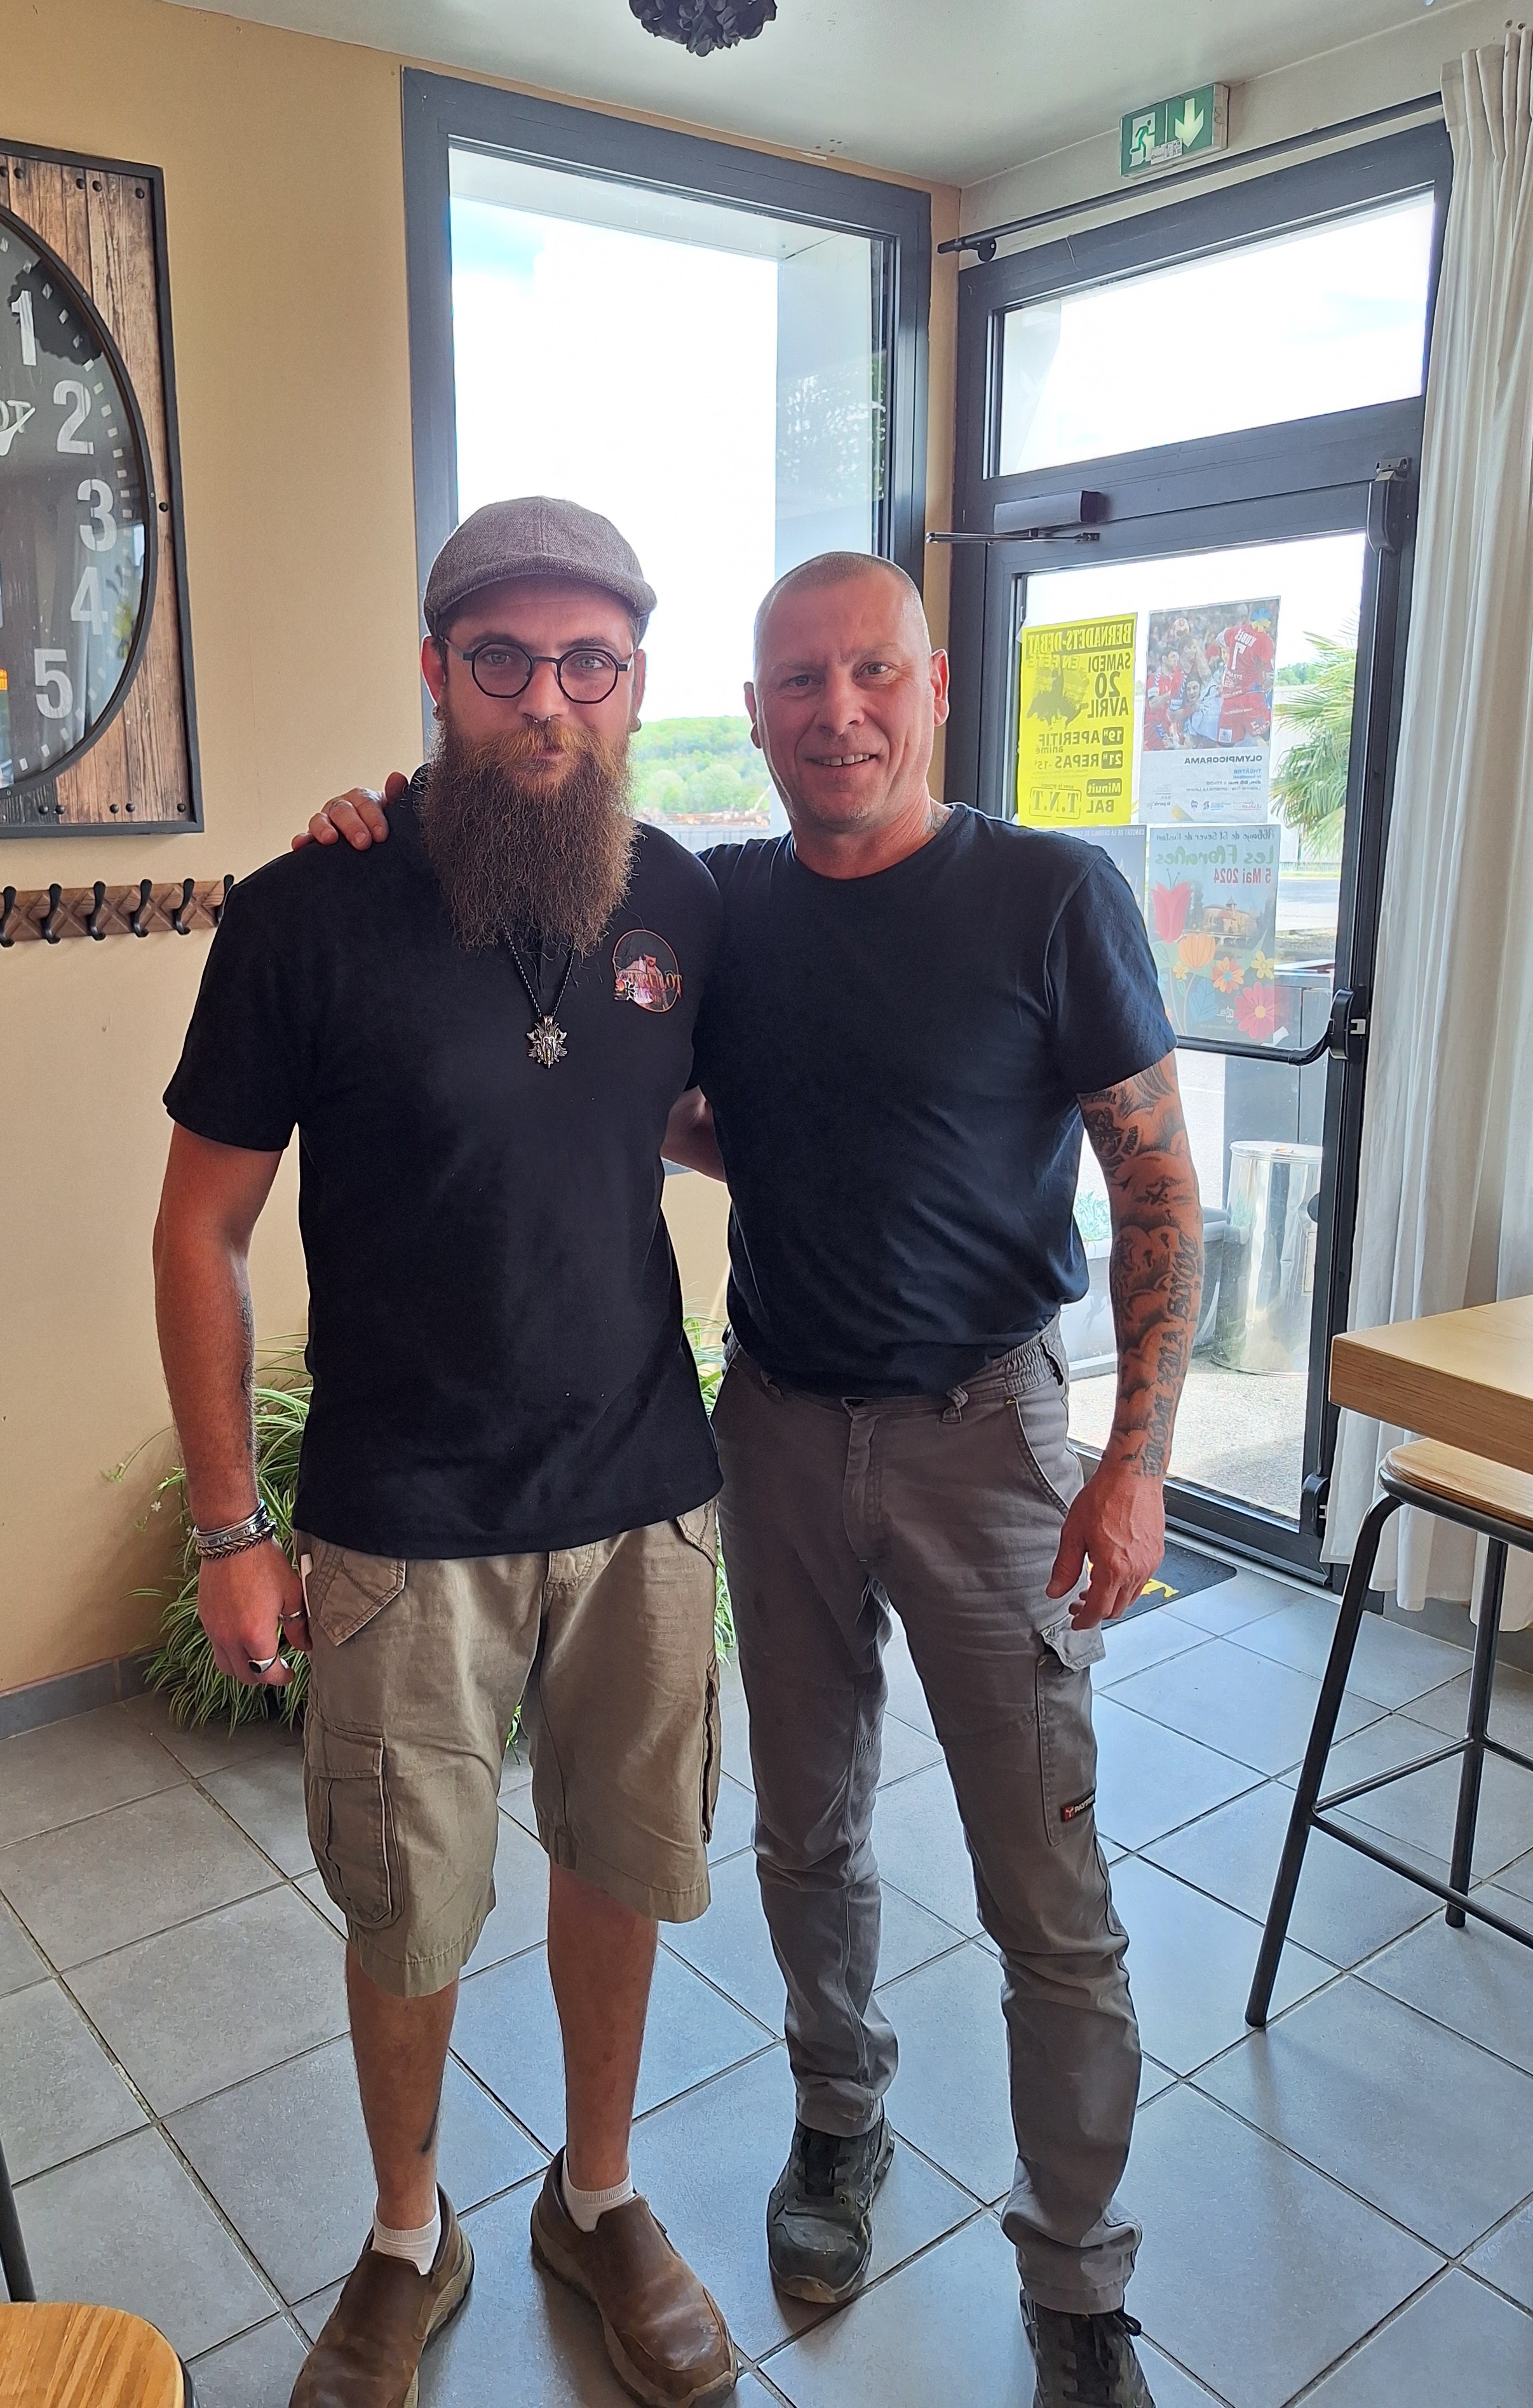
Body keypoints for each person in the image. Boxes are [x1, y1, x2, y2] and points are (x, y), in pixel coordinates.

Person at [303, 549, 1202, 2408]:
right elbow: (651, 1078)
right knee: (806, 1835)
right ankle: (837, 2119)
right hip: (777, 1428)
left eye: (870, 673)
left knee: (1045, 1885)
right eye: (798, 682)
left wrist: (1134, 1460)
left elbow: (1155, 1186)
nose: (836, 713)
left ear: (932, 685)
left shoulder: (1052, 896)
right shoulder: (721, 908)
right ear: (751, 710)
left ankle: (1077, 2278)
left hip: (991, 1442)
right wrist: (392, 814)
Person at [153, 495, 739, 2408]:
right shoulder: (305, 911)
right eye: (501, 662)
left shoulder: (683, 902)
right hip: (403, 1515)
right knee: (405, 1904)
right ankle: (409, 2233)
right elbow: (201, 1232)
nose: (545, 701)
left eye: (588, 663)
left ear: (633, 682)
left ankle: (597, 2195)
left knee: (620, 1861)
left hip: (642, 1492)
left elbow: (713, 1118)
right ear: (435, 674)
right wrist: (231, 1524)